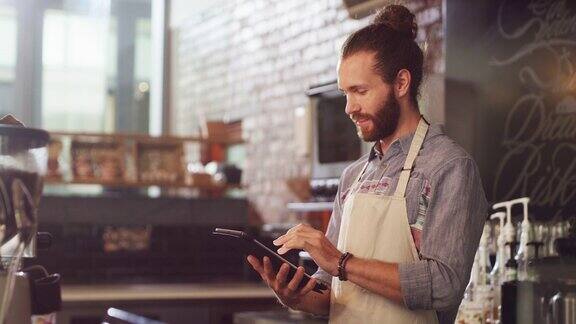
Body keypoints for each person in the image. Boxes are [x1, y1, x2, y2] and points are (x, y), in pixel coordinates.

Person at [247, 4, 488, 324]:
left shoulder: (450, 166)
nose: (349, 107)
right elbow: (333, 292)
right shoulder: (354, 176)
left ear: (401, 83)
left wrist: (340, 262)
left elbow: (443, 285)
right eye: (345, 93)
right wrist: (299, 297)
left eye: (360, 91)